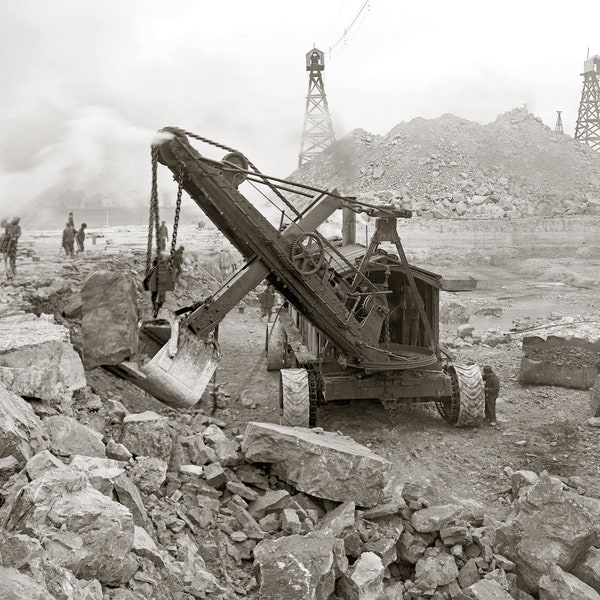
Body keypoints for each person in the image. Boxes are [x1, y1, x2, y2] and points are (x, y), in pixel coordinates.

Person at [145, 252, 175, 318]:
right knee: (157, 297)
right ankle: (156, 309)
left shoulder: (156, 268)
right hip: (157, 285)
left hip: (158, 285)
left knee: (156, 297)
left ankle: (156, 309)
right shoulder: (157, 269)